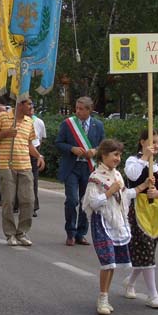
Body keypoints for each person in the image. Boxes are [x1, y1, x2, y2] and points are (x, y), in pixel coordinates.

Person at [122, 129, 158, 309]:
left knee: (148, 251)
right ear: (142, 142)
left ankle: (130, 281)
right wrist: (145, 157)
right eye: (153, 142)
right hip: (137, 210)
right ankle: (153, 295)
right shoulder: (133, 161)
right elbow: (132, 175)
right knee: (146, 248)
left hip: (156, 212)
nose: (156, 146)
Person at [82, 139, 132, 315]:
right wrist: (110, 191)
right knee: (107, 261)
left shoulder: (117, 175)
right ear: (104, 155)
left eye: (120, 155)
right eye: (115, 154)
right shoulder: (95, 178)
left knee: (112, 264)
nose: (118, 158)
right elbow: (93, 203)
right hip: (102, 222)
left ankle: (105, 296)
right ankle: (102, 298)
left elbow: (124, 198)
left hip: (115, 221)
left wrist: (142, 187)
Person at [0, 98, 45, 246]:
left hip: (25, 165)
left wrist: (39, 156)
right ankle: (10, 233)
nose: (31, 107)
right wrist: (6, 133)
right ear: (20, 104)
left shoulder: (29, 121)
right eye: (29, 104)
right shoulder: (3, 117)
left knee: (29, 200)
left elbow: (29, 144)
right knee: (8, 201)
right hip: (6, 165)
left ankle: (22, 232)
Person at [55, 96, 105, 246]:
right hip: (72, 167)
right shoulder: (68, 124)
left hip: (89, 167)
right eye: (77, 108)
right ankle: (70, 232)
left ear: (89, 110)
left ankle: (81, 233)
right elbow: (58, 143)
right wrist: (71, 148)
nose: (78, 111)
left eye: (81, 109)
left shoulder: (98, 125)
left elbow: (103, 145)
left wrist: (95, 151)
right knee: (72, 200)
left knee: (86, 200)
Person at [28, 101, 45, 217]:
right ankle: (16, 203)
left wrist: (38, 155)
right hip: (22, 150)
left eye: (32, 108)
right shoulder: (19, 121)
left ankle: (33, 206)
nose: (30, 110)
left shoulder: (39, 122)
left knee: (34, 179)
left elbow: (41, 138)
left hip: (35, 150)